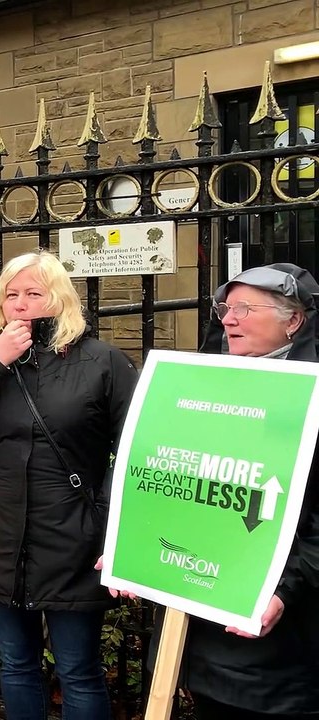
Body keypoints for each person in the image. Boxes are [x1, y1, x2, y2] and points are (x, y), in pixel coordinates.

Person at [0, 251, 138, 720]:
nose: (20, 304)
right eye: (11, 295)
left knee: (77, 669)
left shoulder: (102, 362)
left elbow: (133, 451)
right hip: (2, 538)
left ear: (59, 299)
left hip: (73, 538)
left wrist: (112, 529)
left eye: (34, 293)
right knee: (18, 664)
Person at [127, 264, 319, 720]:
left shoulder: (311, 398)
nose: (227, 319)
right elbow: (164, 475)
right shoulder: (198, 390)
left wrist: (284, 590)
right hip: (201, 632)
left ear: (294, 320)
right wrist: (129, 549)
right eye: (225, 308)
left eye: (244, 309)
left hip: (279, 640)